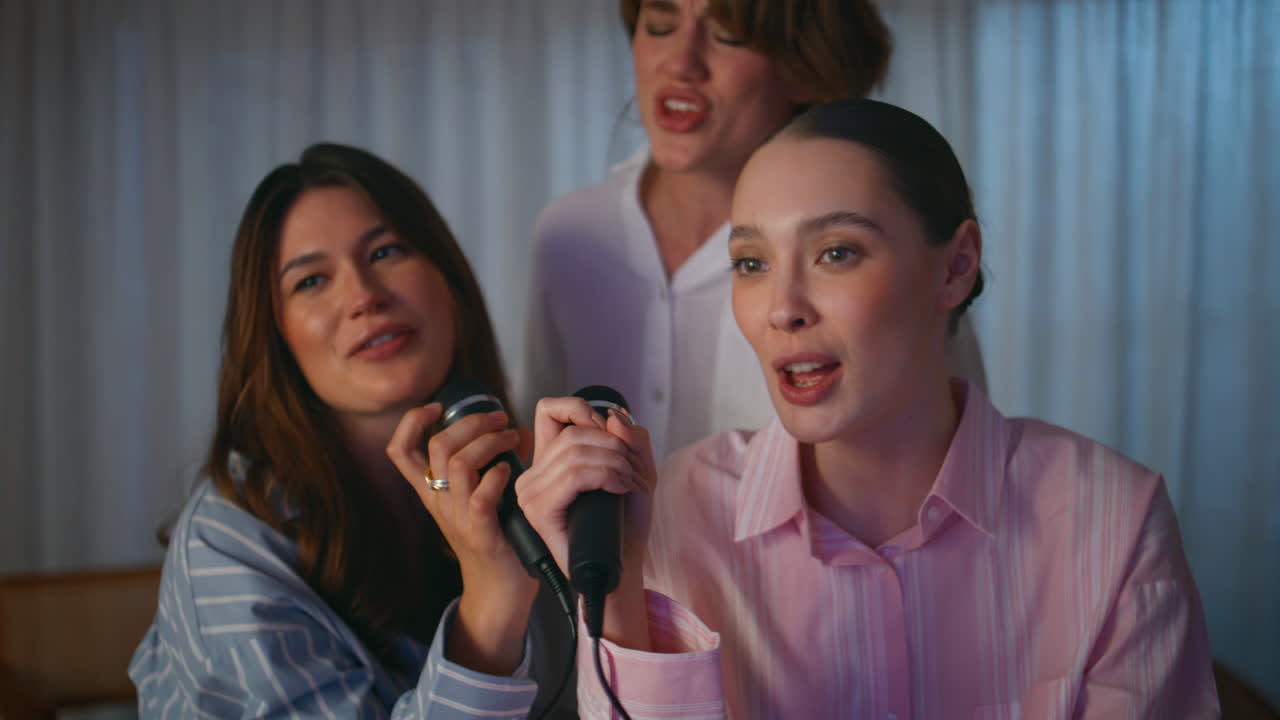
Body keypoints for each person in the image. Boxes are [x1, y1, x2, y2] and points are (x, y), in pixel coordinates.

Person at [516, 99, 1219, 718]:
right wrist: (619, 605)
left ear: (955, 265)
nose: (782, 310)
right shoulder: (667, 519)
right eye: (752, 263)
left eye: (837, 252)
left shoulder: (1114, 521)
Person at [129, 143, 572, 718]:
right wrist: (491, 603)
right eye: (311, 281)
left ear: (450, 282)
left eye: (386, 251)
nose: (364, 296)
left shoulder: (517, 471)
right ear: (276, 337)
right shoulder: (227, 546)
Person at [522, 0, 987, 460]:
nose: (681, 64)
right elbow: (540, 440)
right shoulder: (569, 235)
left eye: (729, 36)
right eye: (661, 25)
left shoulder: (886, 250)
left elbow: (954, 471)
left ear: (808, 68)